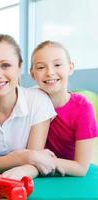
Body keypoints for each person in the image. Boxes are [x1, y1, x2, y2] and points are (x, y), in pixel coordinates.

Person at [0, 34, 58, 180]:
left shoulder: (38, 101)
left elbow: (33, 164)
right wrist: (26, 156)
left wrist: (31, 160)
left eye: (6, 65)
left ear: (20, 67)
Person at [30, 40, 98, 176]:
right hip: (37, 171)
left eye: (57, 65)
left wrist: (38, 158)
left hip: (69, 175)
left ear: (70, 68)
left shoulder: (83, 107)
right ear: (33, 74)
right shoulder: (29, 99)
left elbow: (81, 168)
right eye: (41, 67)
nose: (50, 72)